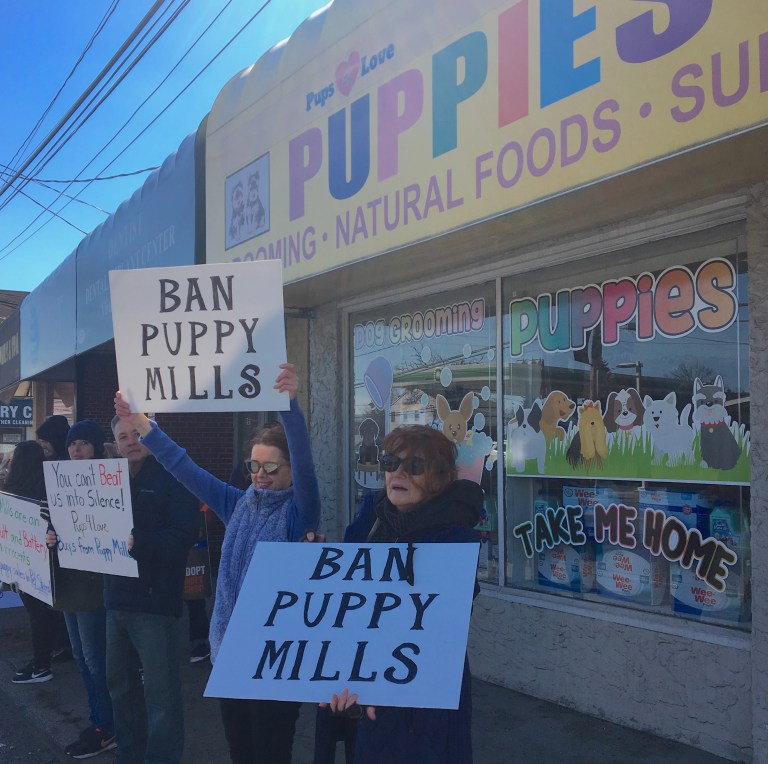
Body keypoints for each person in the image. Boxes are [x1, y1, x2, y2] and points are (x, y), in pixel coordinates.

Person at [113, 362, 320, 764]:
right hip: (230, 651)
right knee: (241, 751)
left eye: (271, 467)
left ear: (290, 471)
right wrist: (140, 423)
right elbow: (183, 466)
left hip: (277, 655)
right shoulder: (236, 503)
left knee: (271, 752)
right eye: (253, 466)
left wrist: (289, 404)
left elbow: (307, 461)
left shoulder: (300, 514)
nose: (259, 475)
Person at [319, 424, 482, 764]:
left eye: (415, 466)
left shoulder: (454, 538)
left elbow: (440, 627)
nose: (399, 472)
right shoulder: (371, 521)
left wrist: (382, 686)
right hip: (369, 705)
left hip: (421, 711)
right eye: (391, 462)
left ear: (439, 477)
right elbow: (344, 608)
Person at [104, 412, 199, 764]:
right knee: (120, 688)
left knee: (161, 693)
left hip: (155, 602)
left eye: (137, 434)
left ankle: (161, 759)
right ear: (115, 443)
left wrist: (139, 542)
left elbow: (183, 535)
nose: (131, 442)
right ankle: (129, 755)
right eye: (123, 437)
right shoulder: (107, 482)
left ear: (150, 436)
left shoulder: (174, 479)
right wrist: (59, 539)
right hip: (115, 598)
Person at [46, 420, 116, 759]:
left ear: (97, 448)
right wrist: (51, 538)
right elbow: (54, 525)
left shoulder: (111, 482)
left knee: (95, 658)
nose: (77, 450)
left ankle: (107, 725)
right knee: (81, 657)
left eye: (85, 443)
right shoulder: (59, 482)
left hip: (93, 584)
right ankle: (99, 720)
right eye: (74, 444)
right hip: (69, 583)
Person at [5, 440, 60, 684]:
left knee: (37, 614)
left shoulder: (12, 489)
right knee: (47, 613)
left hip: (26, 562)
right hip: (48, 557)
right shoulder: (49, 485)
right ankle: (46, 658)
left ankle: (41, 664)